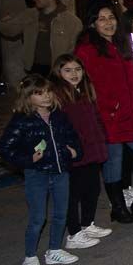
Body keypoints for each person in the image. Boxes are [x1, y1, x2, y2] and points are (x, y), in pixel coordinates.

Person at [75, 6, 133, 222]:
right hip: (107, 116)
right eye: (101, 19)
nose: (108, 22)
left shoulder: (122, 43)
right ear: (92, 23)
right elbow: (83, 84)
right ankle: (118, 207)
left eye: (111, 18)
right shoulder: (87, 50)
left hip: (130, 113)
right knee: (114, 162)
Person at [0, 74, 83, 265]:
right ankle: (30, 256)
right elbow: (5, 148)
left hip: (60, 170)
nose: (45, 97)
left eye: (48, 92)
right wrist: (28, 159)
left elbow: (73, 136)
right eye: (39, 93)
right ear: (28, 97)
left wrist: (74, 151)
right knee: (38, 218)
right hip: (37, 174)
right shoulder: (22, 120)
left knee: (61, 213)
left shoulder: (58, 115)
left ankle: (54, 250)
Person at [51, 54, 113, 248]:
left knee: (92, 189)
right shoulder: (58, 96)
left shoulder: (85, 91)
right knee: (73, 194)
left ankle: (87, 223)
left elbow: (94, 119)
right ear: (58, 73)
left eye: (77, 69)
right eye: (68, 70)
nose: (74, 74)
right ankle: (74, 233)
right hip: (75, 151)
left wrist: (102, 137)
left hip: (92, 148)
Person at [0, 0, 83, 79]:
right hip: (34, 67)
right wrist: (3, 22)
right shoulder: (30, 15)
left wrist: (67, 68)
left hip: (58, 69)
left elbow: (74, 49)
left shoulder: (71, 21)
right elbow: (10, 31)